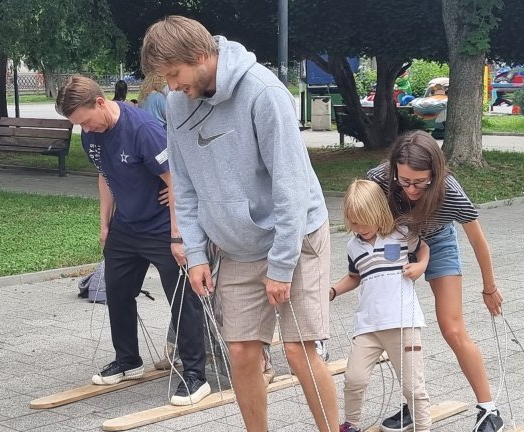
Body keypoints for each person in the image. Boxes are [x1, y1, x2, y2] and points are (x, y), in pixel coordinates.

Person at [141, 15, 338, 432]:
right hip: (237, 247)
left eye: (174, 75)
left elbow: (291, 187)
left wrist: (281, 266)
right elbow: (186, 186)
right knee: (243, 354)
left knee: (300, 351)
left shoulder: (264, 93)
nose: (172, 86)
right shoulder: (178, 104)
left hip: (294, 236)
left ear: (199, 56)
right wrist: (195, 254)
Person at [55, 75, 210, 406]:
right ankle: (128, 360)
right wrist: (105, 224)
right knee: (117, 292)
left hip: (160, 227)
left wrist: (178, 236)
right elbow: (105, 176)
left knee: (182, 299)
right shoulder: (90, 134)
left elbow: (175, 180)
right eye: (78, 125)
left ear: (100, 103)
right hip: (125, 226)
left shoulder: (142, 129)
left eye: (85, 121)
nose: (86, 129)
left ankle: (196, 374)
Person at [367, 130, 505, 432]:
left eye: (421, 181)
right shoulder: (379, 178)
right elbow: (363, 215)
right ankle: (414, 403)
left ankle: (489, 410)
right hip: (398, 241)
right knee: (396, 327)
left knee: (452, 328)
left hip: (439, 241)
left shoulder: (449, 191)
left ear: (435, 172)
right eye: (405, 181)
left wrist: (489, 287)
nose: (412, 189)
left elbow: (478, 241)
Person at [332, 180, 431, 432]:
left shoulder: (401, 234)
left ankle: (423, 428)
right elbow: (355, 276)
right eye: (353, 222)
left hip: (403, 323)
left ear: (379, 212)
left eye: (364, 221)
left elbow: (424, 250)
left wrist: (420, 266)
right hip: (368, 326)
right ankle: (351, 424)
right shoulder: (353, 246)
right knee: (353, 378)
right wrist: (332, 291)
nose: (358, 227)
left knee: (412, 387)